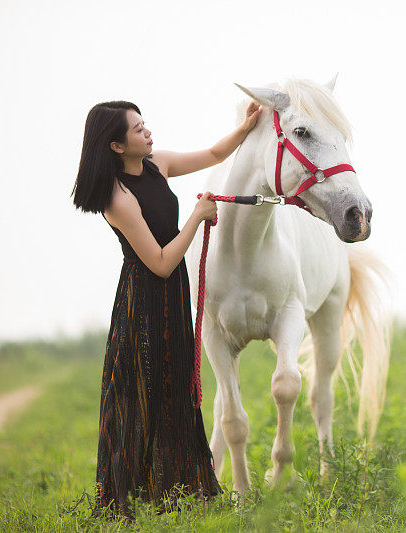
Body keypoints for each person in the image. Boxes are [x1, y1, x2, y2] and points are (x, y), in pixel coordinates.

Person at [70, 99, 263, 522]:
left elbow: (213, 154)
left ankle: (175, 495)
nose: (147, 133)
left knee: (175, 391)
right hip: (144, 301)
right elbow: (158, 262)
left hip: (173, 294)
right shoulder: (116, 198)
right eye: (138, 129)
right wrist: (196, 217)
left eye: (144, 125)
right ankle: (136, 499)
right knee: (143, 396)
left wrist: (248, 126)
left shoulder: (157, 164)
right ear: (117, 146)